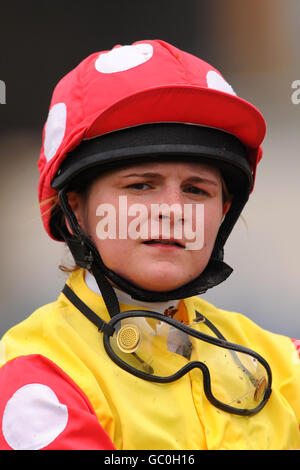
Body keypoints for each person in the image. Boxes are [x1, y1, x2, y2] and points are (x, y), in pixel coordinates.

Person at [0, 39, 299, 451]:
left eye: (196, 190)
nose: (173, 210)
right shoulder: (34, 377)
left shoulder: (284, 361)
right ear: (76, 208)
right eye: (141, 185)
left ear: (223, 212)